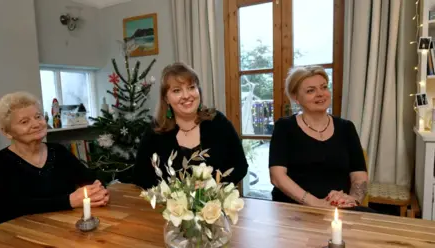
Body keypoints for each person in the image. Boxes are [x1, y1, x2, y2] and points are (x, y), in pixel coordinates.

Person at [0, 92, 109, 228]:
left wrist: (99, 192)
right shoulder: (1, 161)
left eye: (38, 117)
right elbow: (14, 206)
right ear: (6, 132)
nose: (36, 124)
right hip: (11, 232)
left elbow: (89, 178)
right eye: (24, 122)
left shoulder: (58, 151)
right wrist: (69, 201)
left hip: (57, 226)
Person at [269, 65, 370, 210]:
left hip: (339, 209)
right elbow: (277, 177)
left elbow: (359, 176)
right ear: (296, 98)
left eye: (324, 87)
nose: (320, 94)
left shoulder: (346, 127)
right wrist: (316, 203)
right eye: (311, 90)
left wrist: (352, 200)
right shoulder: (285, 127)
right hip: (294, 210)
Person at [134, 62, 248, 189]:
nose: (187, 95)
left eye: (191, 87)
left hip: (214, 206)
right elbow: (140, 176)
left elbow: (240, 166)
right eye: (177, 90)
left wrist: (212, 191)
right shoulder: (155, 131)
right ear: (166, 98)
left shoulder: (218, 122)